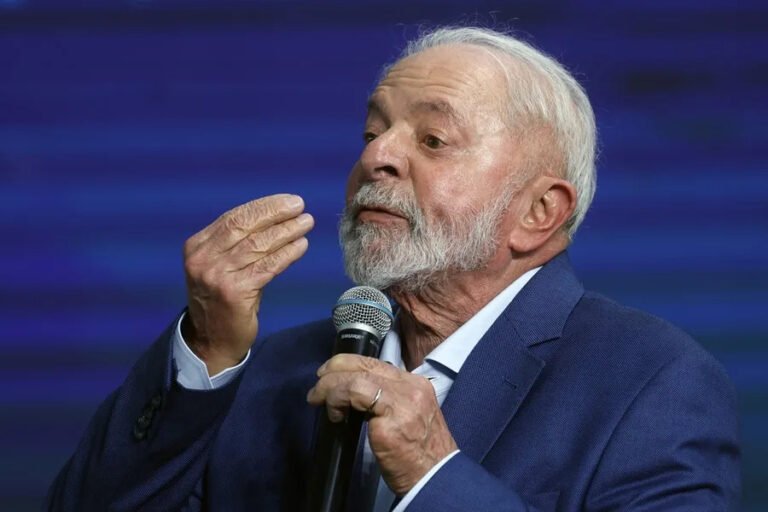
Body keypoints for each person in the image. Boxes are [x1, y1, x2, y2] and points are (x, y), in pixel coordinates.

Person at [46, 26, 740, 511]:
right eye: (373, 132)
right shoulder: (274, 374)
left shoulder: (652, 382)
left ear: (538, 212)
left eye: (432, 139)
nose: (376, 158)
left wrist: (435, 476)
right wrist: (207, 351)